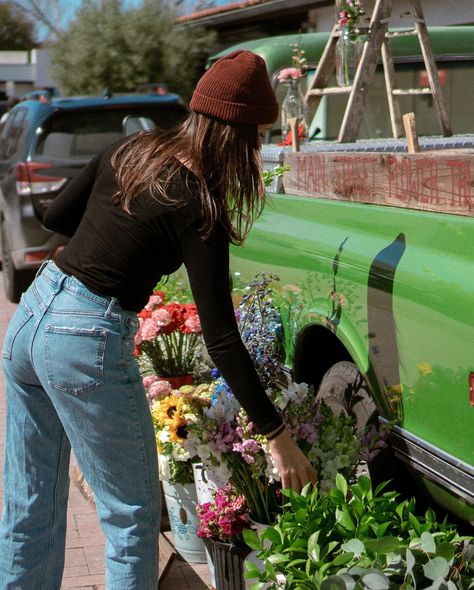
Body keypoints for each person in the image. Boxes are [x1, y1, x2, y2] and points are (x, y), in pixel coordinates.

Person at [0, 50, 317, 589]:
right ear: (237, 135)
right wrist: (277, 435)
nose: (258, 150)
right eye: (258, 137)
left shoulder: (131, 149)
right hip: (85, 336)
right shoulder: (202, 203)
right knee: (131, 516)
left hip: (31, 316)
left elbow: (53, 216)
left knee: (29, 501)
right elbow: (222, 340)